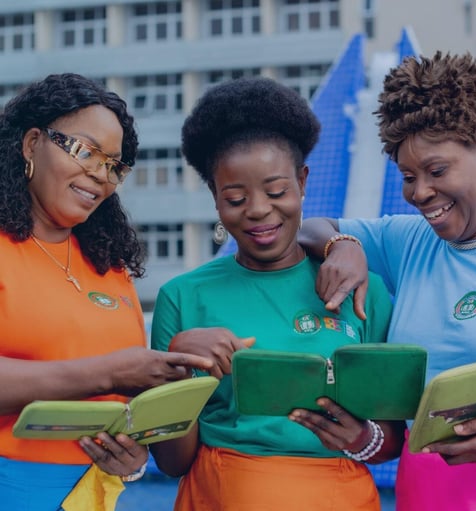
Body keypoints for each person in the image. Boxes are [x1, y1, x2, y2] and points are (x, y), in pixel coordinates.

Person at [149, 76, 405, 511]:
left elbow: (392, 439)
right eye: (235, 197)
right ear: (214, 198)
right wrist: (182, 370)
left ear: (303, 182)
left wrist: (362, 438)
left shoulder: (363, 290)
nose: (258, 210)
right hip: (221, 496)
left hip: (341, 497)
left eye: (276, 191)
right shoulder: (182, 296)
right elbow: (172, 462)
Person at [298, 51, 476, 510]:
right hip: (426, 486)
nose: (419, 193)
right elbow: (310, 228)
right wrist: (344, 244)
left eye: (436, 171)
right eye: (408, 176)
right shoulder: (407, 240)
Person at [0, 73, 214, 511]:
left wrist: (130, 456)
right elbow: (113, 373)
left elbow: (126, 401)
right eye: (84, 150)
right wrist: (109, 373)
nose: (99, 174)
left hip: (89, 495)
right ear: (31, 144)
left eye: (114, 165)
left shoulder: (109, 266)